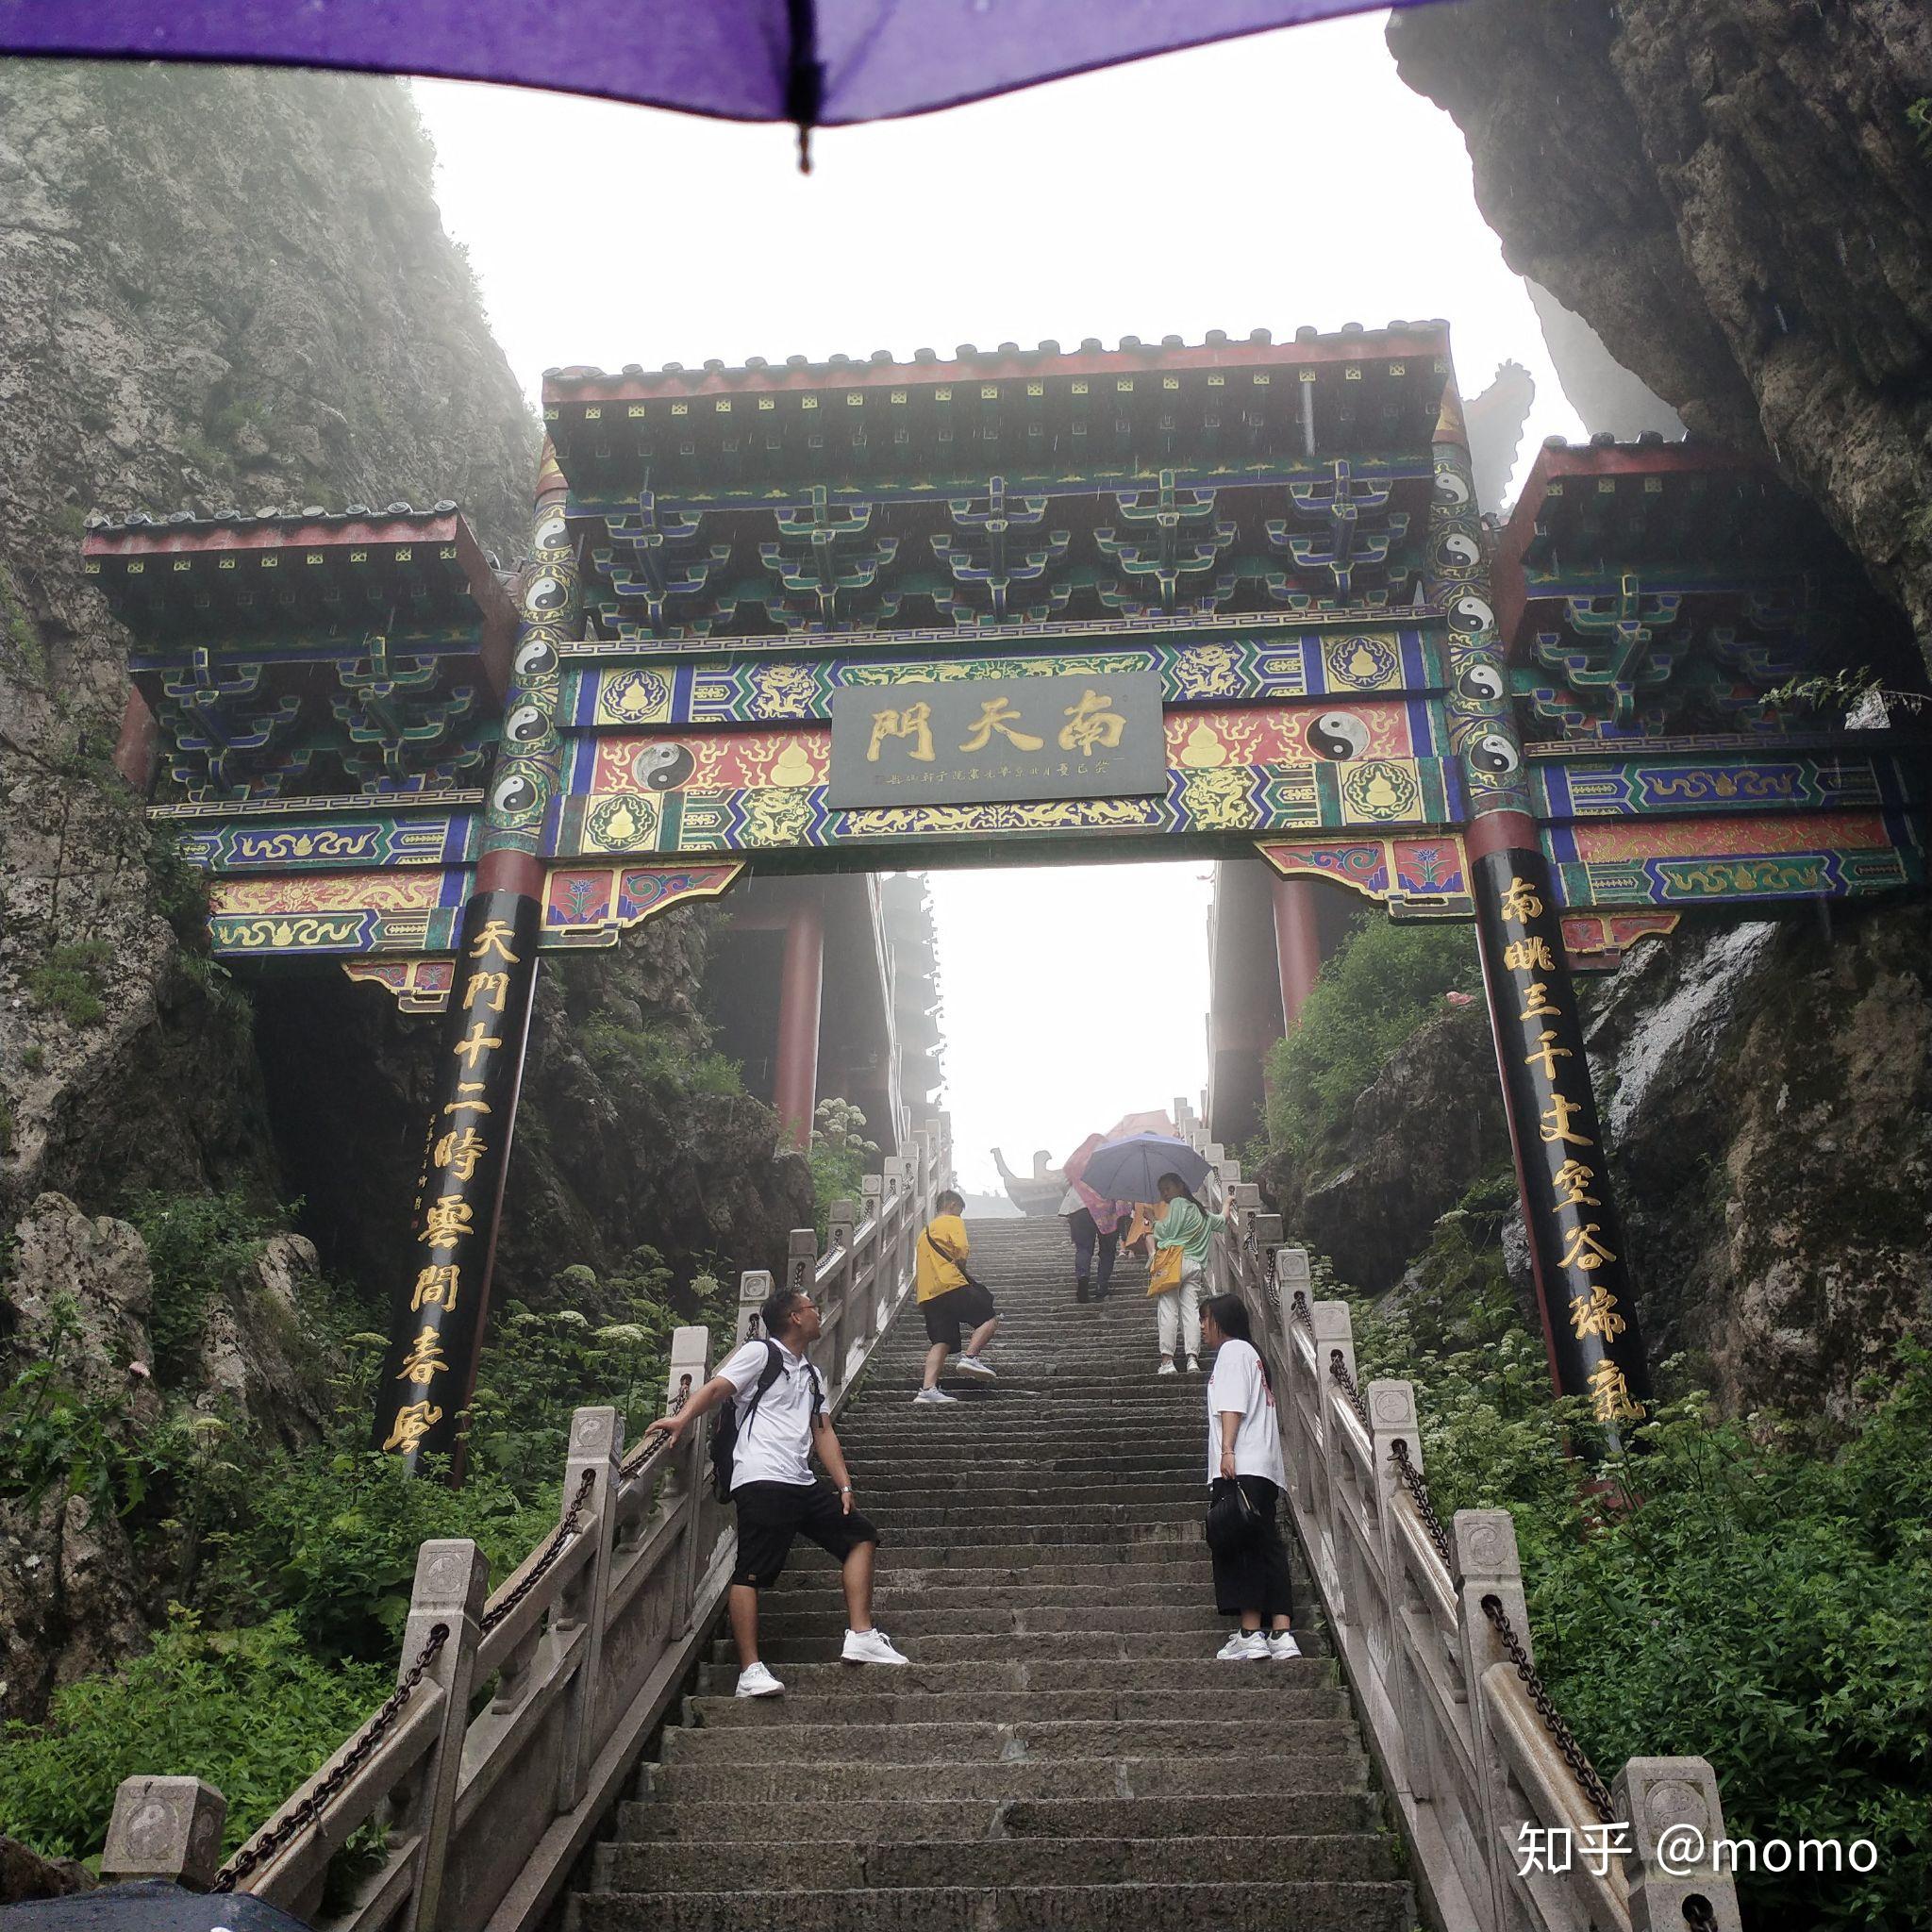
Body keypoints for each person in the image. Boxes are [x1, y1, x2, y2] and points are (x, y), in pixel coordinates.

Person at [643, 1280, 908, 1697]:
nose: (818, 1312)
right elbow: (717, 1388)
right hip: (762, 1477)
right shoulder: (759, 1353)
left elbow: (823, 1432)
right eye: (811, 1307)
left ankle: (861, 1635)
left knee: (861, 1537)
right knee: (751, 1570)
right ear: (794, 1317)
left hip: (800, 1481)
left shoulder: (813, 1374)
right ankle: (750, 1671)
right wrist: (681, 1419)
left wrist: (843, 1484)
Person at [1199, 1293, 1298, 1661]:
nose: (1202, 1327)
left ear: (1220, 1320)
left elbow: (1232, 1405)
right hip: (1266, 1469)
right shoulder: (1254, 1355)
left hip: (1240, 1467)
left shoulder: (1232, 1352)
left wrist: (1227, 1450)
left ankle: (1250, 1632)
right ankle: (1281, 1633)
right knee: (1266, 1543)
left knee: (1236, 1545)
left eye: (1205, 1319)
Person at [912, 1188, 999, 1405]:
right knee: (989, 1317)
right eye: (960, 1210)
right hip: (950, 1284)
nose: (960, 1215)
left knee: (941, 1341)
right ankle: (970, 1358)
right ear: (952, 1206)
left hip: (928, 1294)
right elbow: (961, 1250)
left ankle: (927, 1390)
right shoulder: (952, 1221)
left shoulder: (924, 1232)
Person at [1146, 1171, 1224, 1374]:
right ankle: (1192, 1360)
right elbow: (1222, 1221)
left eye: (1167, 1188)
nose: (1165, 1194)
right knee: (1190, 1311)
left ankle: (1168, 1361)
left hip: (1175, 1263)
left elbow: (1168, 1232)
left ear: (1180, 1186)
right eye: (1162, 1190)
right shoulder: (1202, 1213)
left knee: (1168, 1309)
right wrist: (1228, 1202)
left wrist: (1153, 1220)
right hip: (1194, 1265)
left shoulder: (1178, 1204)